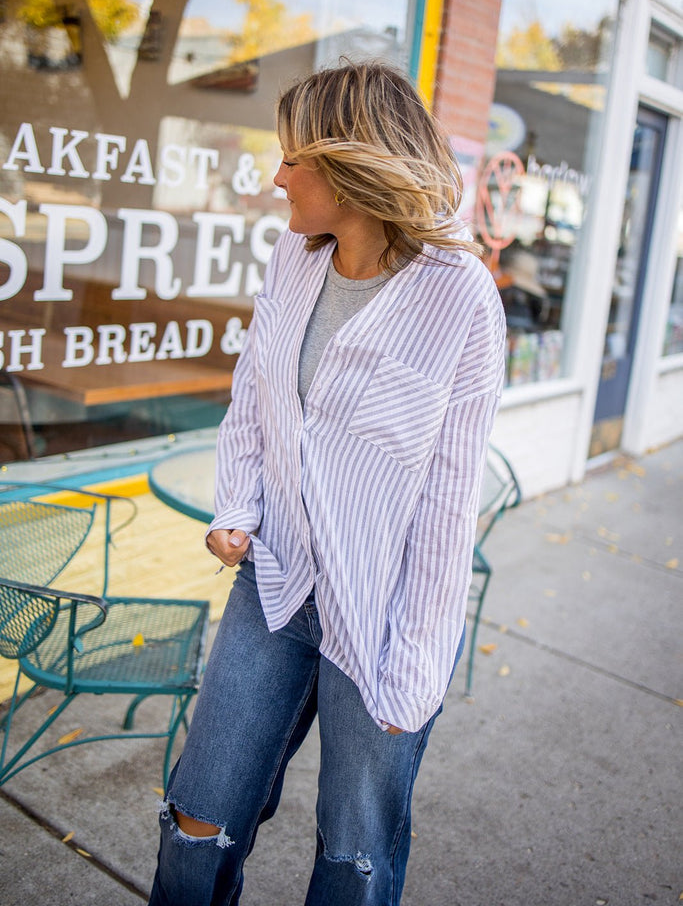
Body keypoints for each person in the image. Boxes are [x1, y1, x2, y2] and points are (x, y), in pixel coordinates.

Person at [148, 61, 506, 906]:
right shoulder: (294, 257)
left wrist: (415, 671)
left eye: (291, 158)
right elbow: (253, 401)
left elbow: (449, 505)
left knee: (354, 859)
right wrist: (236, 505)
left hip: (382, 622)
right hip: (272, 585)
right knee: (197, 817)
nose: (276, 178)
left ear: (352, 165)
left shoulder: (459, 302)